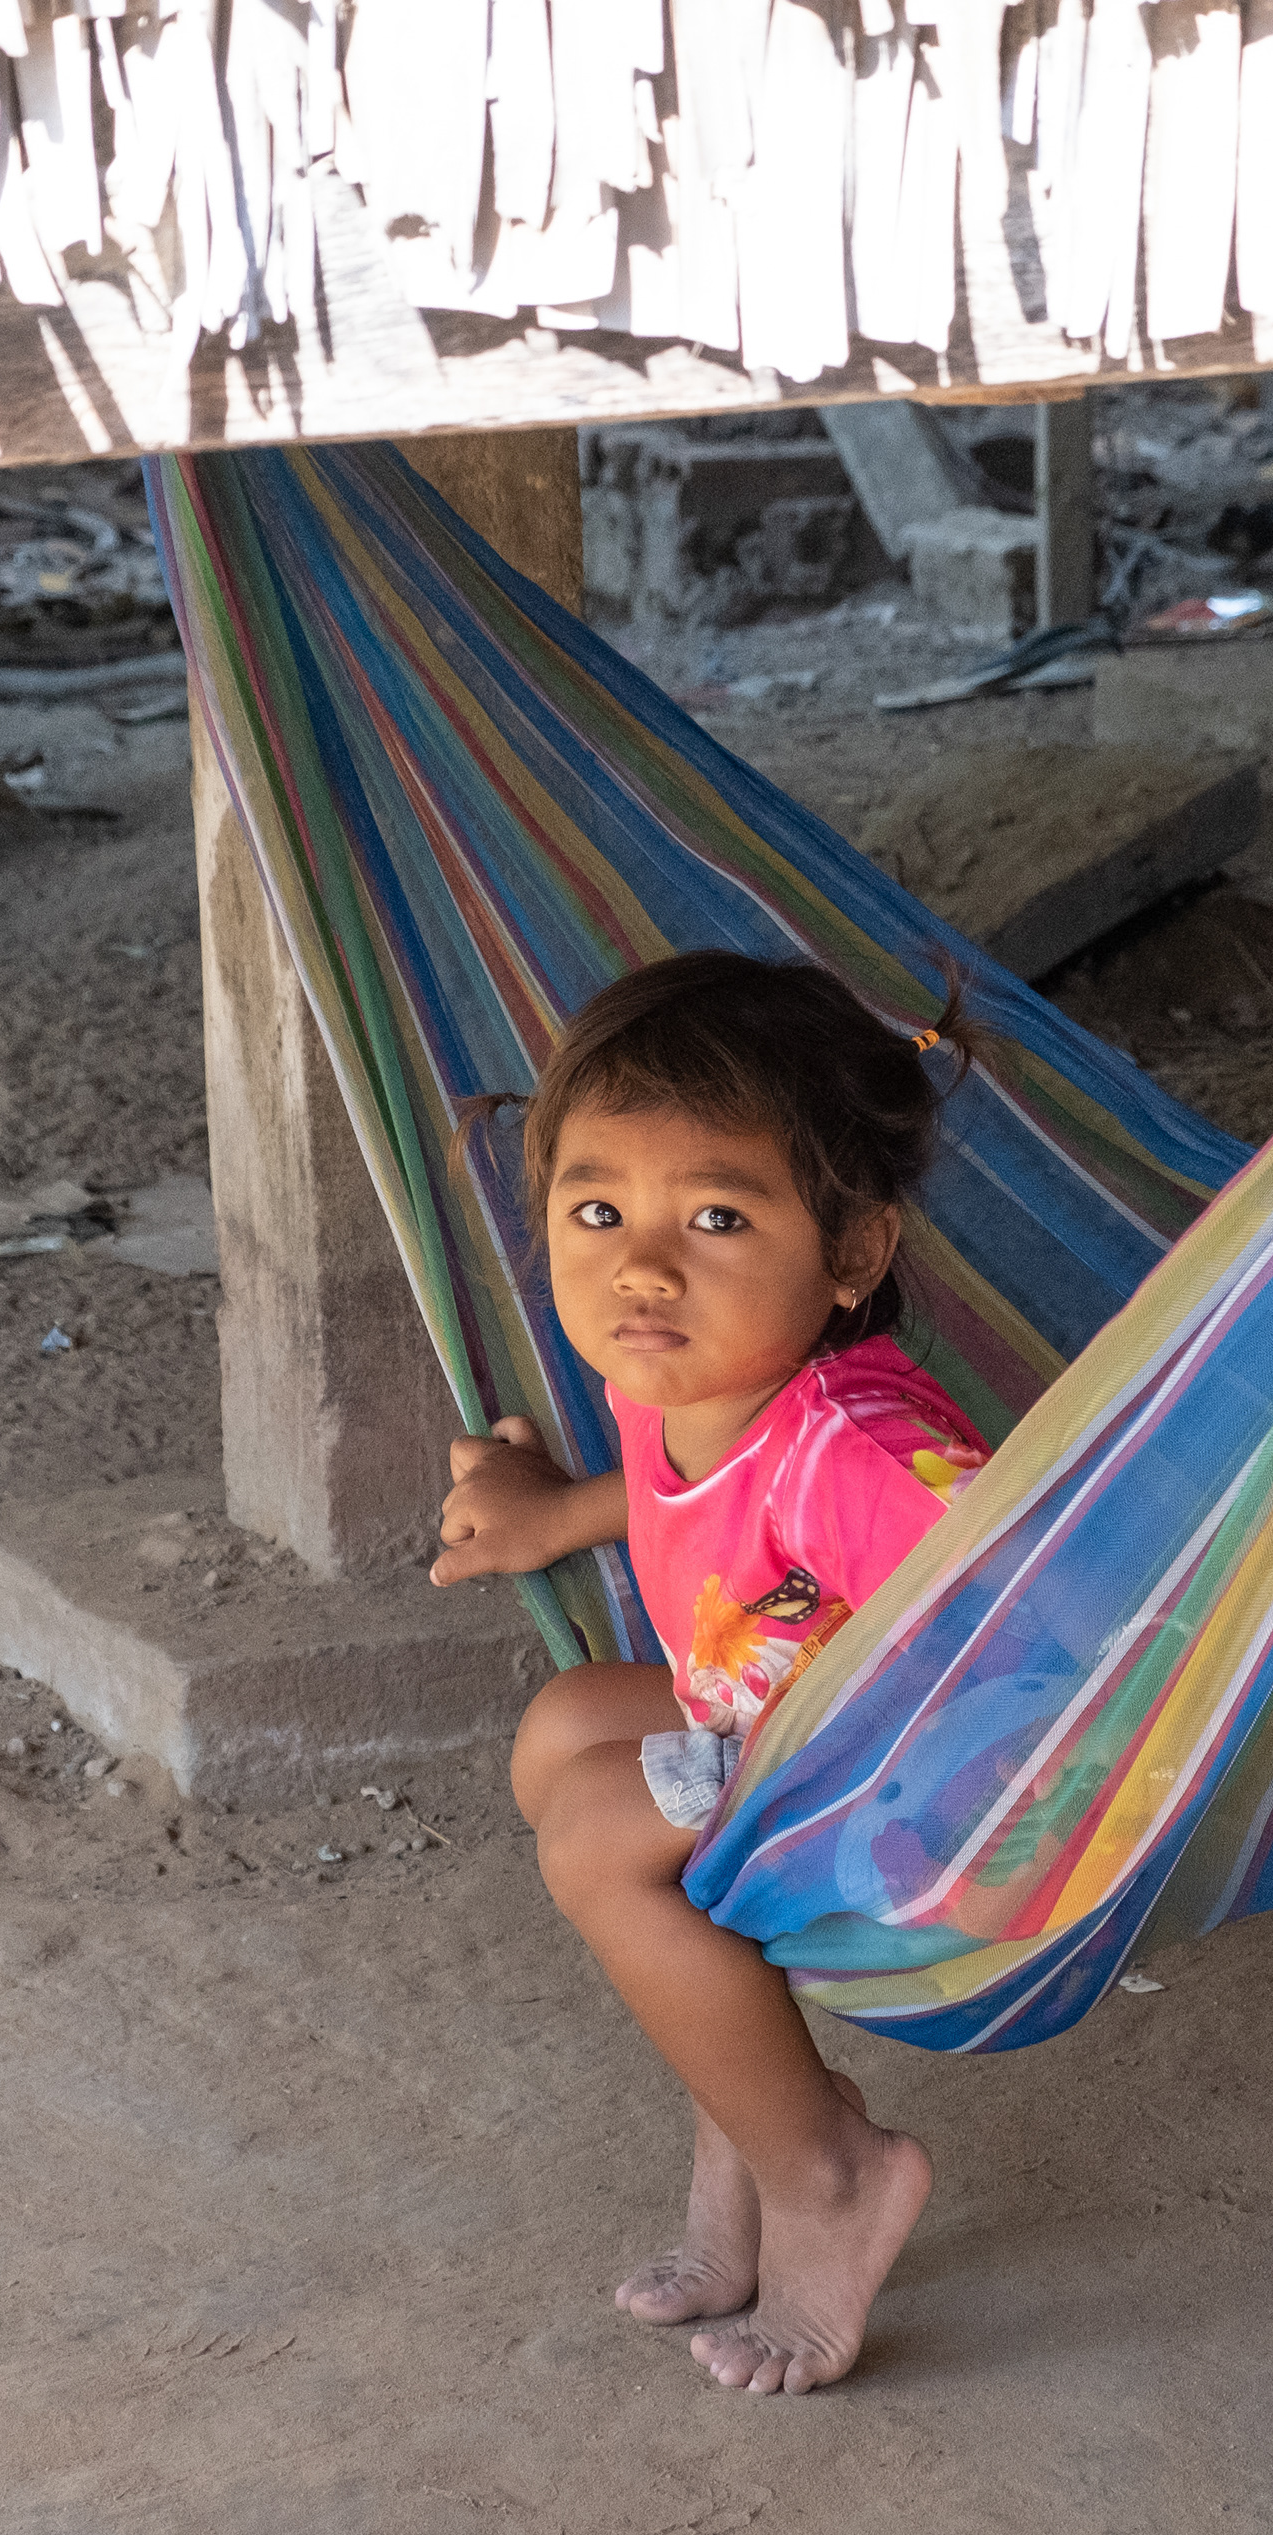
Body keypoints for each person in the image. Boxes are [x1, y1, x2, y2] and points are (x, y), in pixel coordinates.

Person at [434, 948, 991, 2397]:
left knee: (607, 1833)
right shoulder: (672, 1373)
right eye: (599, 1209)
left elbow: (1015, 1613)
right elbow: (683, 1490)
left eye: (720, 1215)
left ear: (852, 1253)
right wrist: (553, 1509)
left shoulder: (867, 1451)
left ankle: (827, 2175)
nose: (644, 1265)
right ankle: (748, 2111)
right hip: (772, 1736)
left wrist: (845, 1740)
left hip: (932, 1790)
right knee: (566, 1731)